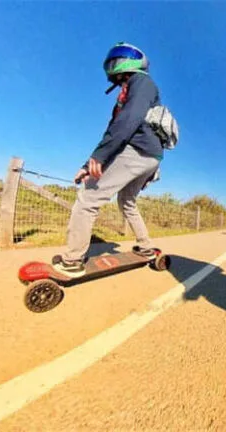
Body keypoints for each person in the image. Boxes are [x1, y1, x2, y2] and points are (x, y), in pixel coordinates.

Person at [53, 42, 164, 276]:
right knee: (127, 201)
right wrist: (89, 163)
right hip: (148, 155)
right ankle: (145, 247)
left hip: (138, 151)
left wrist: (100, 156)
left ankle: (72, 260)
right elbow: (116, 128)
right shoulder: (130, 90)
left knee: (88, 197)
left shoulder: (141, 82)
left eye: (116, 59)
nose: (112, 64)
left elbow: (129, 121)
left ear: (132, 61)